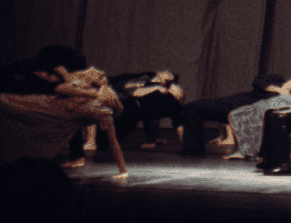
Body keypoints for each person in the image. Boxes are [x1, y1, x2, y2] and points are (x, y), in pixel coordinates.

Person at [0, 67, 129, 182]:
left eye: (101, 76)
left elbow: (117, 117)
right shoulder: (82, 83)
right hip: (59, 108)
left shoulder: (101, 103)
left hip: (63, 111)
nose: (102, 73)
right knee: (21, 106)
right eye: (100, 75)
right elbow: (62, 89)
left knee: (20, 108)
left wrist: (110, 109)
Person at [178, 73, 290, 156]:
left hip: (242, 111)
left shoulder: (290, 95)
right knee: (191, 107)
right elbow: (258, 81)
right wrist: (277, 89)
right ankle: (193, 148)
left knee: (191, 108)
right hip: (231, 103)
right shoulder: (278, 80)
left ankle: (193, 148)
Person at [221, 75, 291, 160]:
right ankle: (247, 150)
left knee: (259, 117)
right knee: (236, 114)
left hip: (280, 107)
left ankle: (262, 152)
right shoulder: (287, 88)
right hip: (272, 103)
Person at [108, 71, 186, 148]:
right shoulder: (149, 81)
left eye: (168, 74)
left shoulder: (165, 96)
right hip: (119, 103)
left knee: (107, 141)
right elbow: (124, 86)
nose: (165, 71)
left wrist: (152, 139)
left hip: (127, 112)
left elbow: (177, 122)